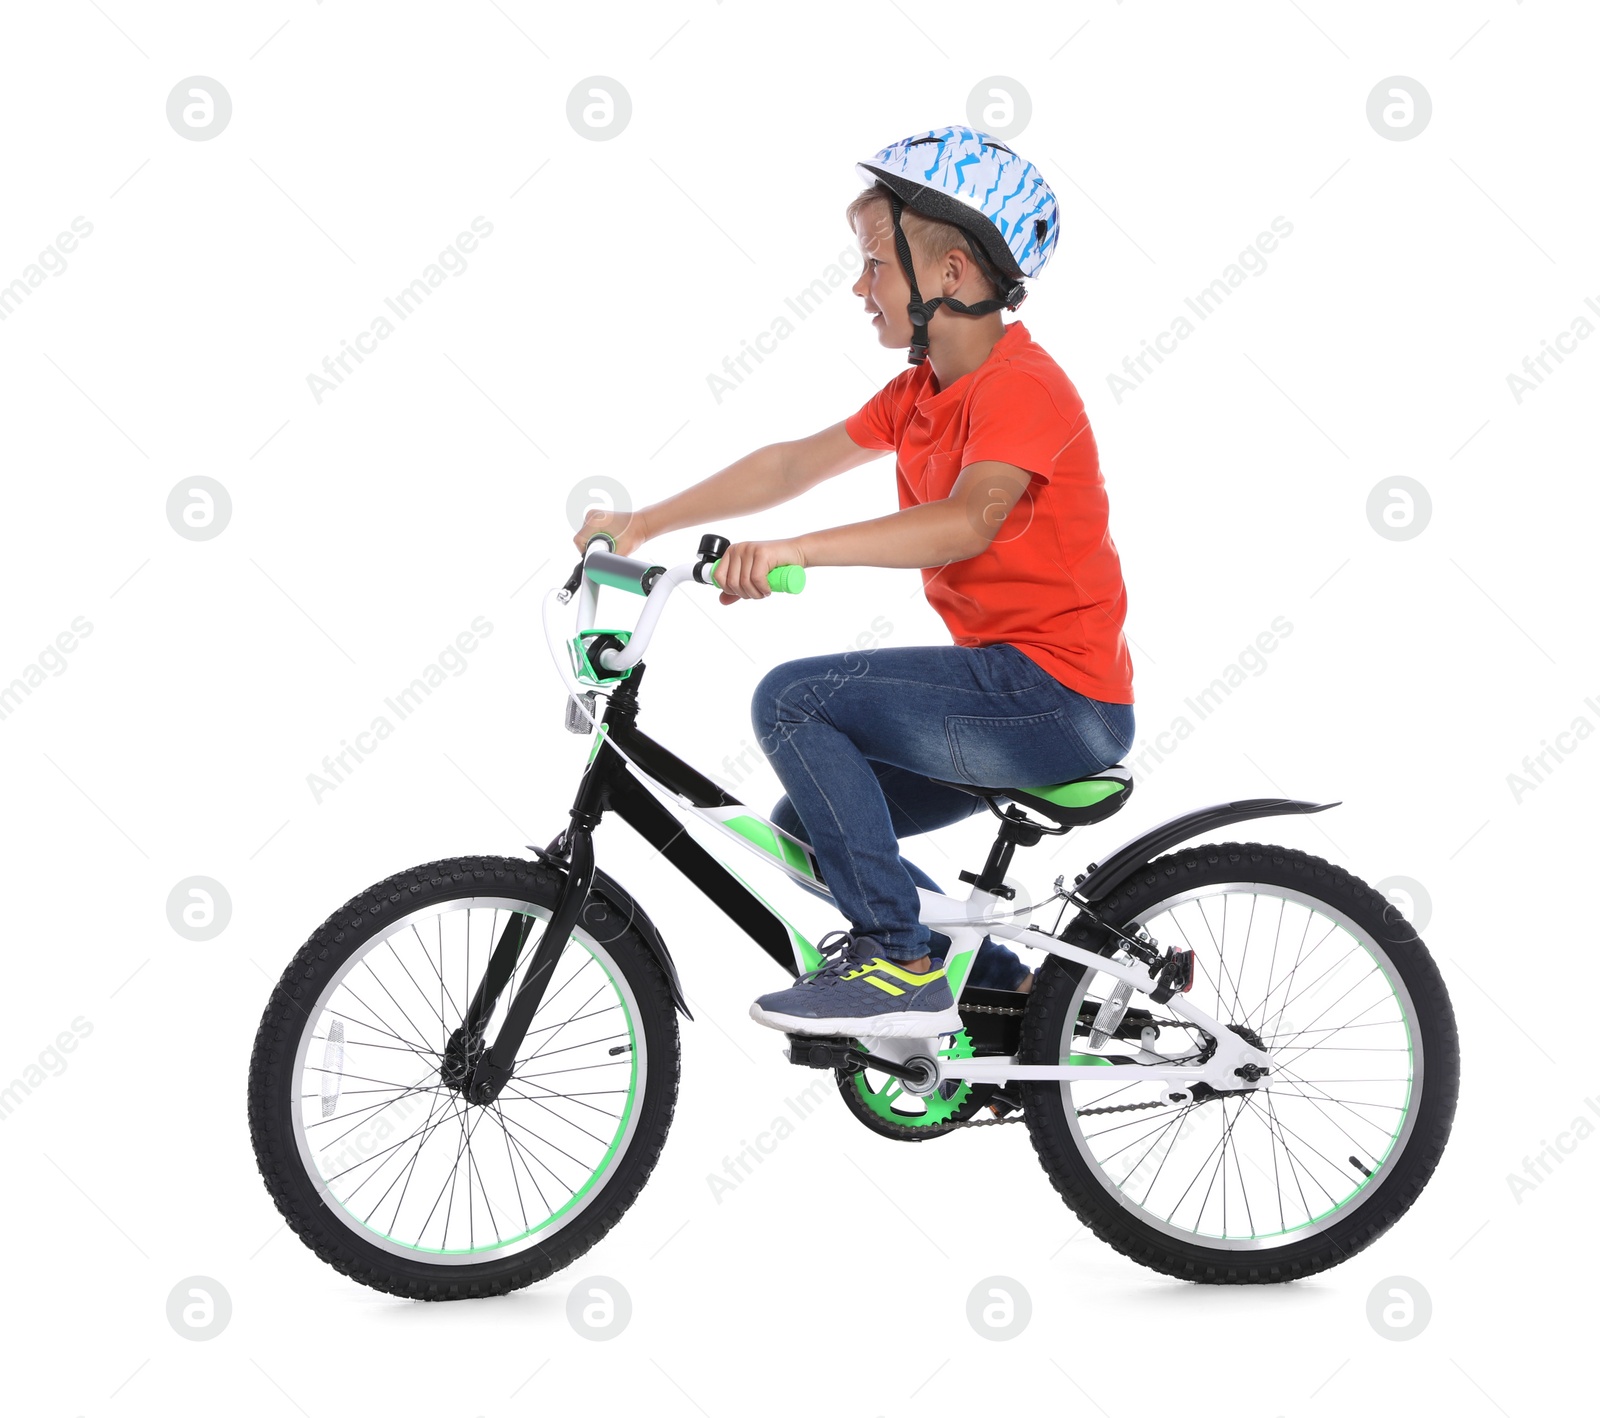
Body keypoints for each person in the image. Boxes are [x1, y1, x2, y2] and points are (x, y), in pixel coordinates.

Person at [575, 125, 1134, 1039]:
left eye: (875, 263)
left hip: (1054, 698)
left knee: (795, 702)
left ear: (950, 276)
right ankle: (997, 993)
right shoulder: (921, 393)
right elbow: (791, 464)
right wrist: (643, 524)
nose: (858, 286)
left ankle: (896, 961)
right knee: (812, 826)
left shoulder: (1022, 386)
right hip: (1009, 688)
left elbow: (967, 519)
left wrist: (796, 552)